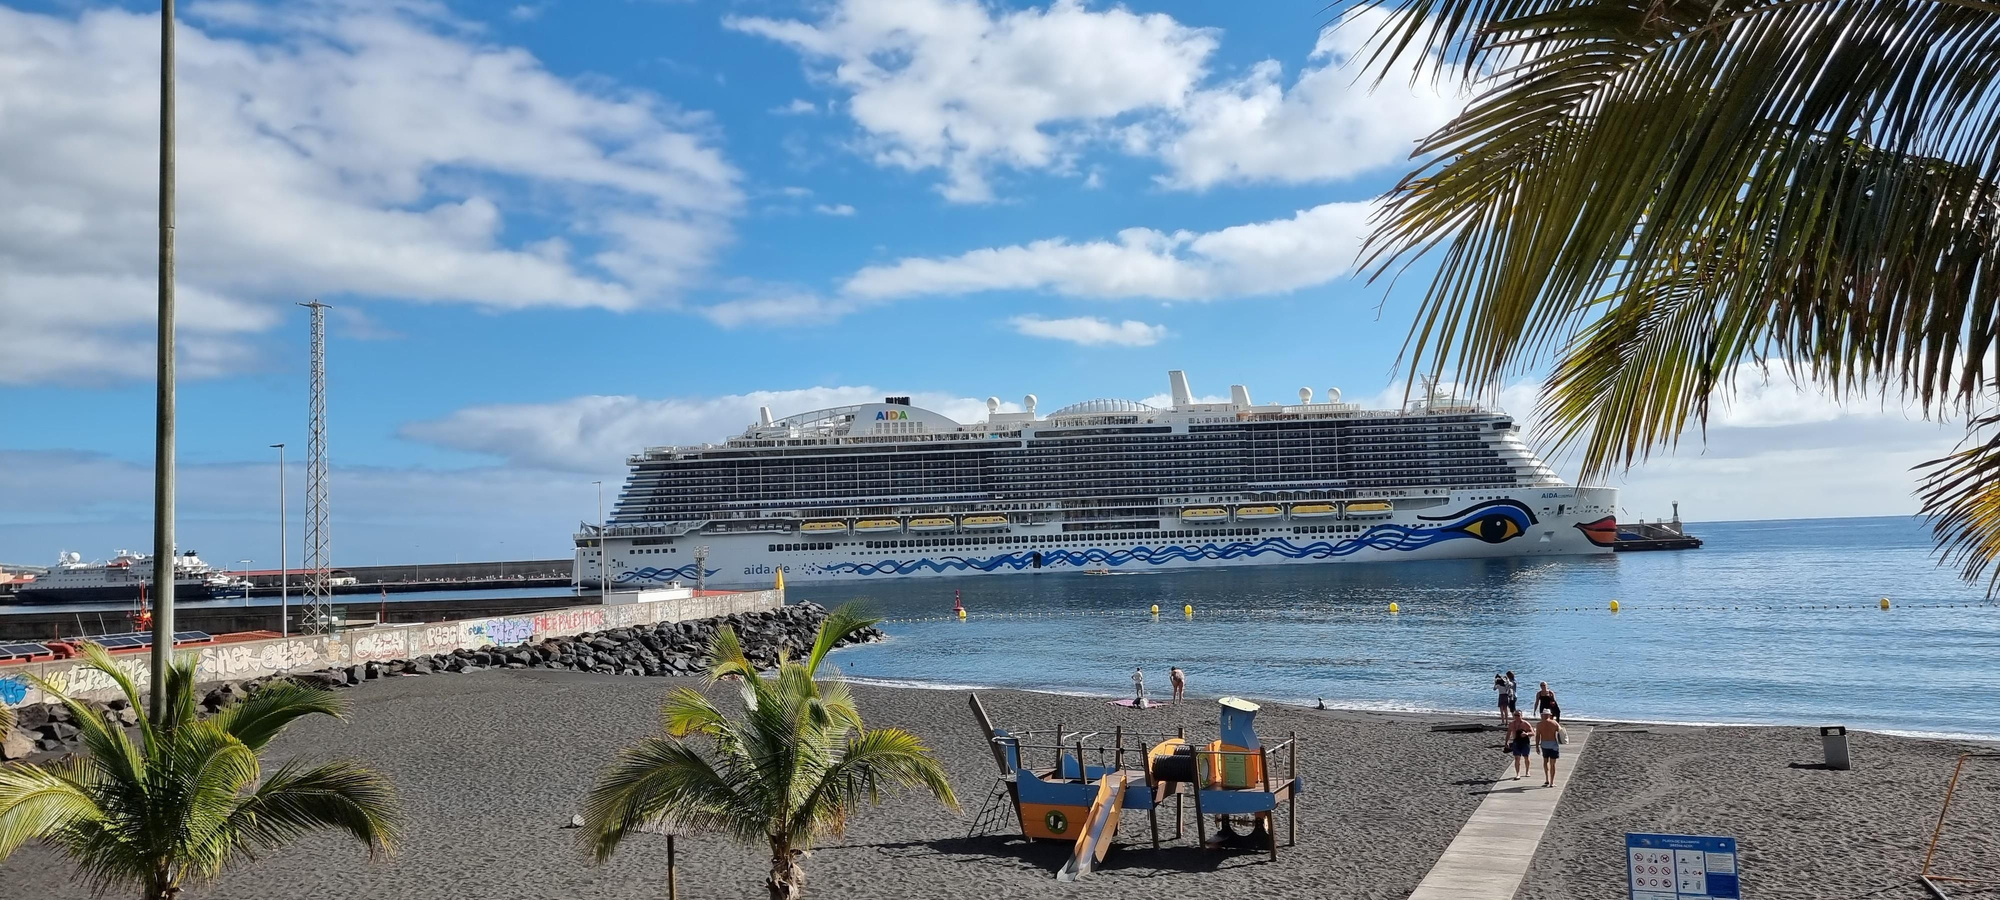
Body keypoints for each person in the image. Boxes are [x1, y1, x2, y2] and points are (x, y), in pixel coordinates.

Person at [1535, 709, 1568, 787]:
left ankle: (1547, 779)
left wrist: (1537, 746)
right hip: (1553, 744)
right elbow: (1561, 732)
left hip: (1544, 744)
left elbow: (1537, 736)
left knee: (1545, 761)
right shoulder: (1554, 723)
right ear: (1550, 715)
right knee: (1552, 764)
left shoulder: (1539, 724)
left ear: (1542, 715)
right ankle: (1552, 782)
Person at [1506, 709, 1534, 779]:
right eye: (1515, 715)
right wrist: (1506, 742)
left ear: (1521, 715)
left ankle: (1527, 771)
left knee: (1526, 757)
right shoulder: (1511, 724)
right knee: (1517, 758)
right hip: (1516, 742)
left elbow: (1533, 733)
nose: (1516, 717)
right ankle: (1518, 774)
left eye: (1518, 715)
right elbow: (1508, 733)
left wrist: (1526, 734)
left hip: (1525, 742)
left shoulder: (1525, 723)